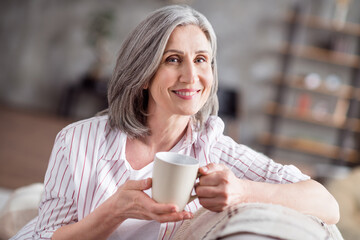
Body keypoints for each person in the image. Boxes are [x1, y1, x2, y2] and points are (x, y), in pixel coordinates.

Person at [12, 4, 339, 240]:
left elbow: (326, 204)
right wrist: (117, 210)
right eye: (173, 59)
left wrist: (242, 190)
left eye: (201, 60)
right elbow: (47, 237)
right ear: (143, 74)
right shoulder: (77, 141)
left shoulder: (211, 148)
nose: (191, 76)